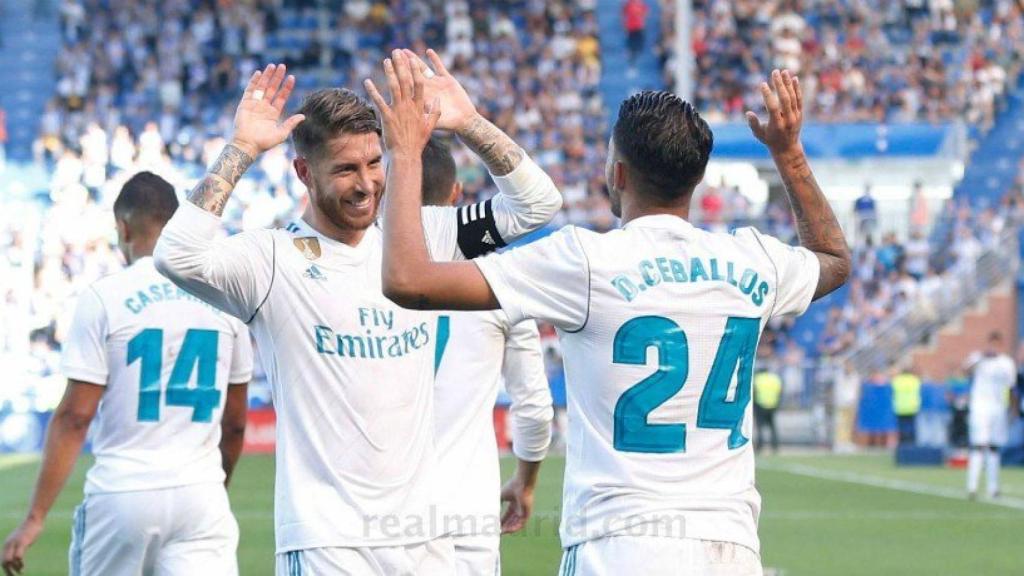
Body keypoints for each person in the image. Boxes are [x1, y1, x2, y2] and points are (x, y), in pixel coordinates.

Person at [369, 55, 849, 575]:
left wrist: (406, 153)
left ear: (616, 173)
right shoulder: (753, 259)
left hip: (619, 545)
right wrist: (789, 153)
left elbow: (408, 281)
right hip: (728, 548)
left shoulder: (584, 261)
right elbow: (835, 260)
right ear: (696, 178)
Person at [154, 57, 562, 574]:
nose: (367, 184)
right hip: (329, 544)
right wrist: (242, 150)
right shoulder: (271, 260)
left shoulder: (419, 240)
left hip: (424, 540)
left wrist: (466, 121)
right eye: (346, 169)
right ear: (304, 172)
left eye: (375, 163)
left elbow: (538, 205)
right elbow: (176, 256)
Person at [2, 172, 253, 576]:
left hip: (123, 491)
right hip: (201, 494)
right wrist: (210, 488)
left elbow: (75, 417)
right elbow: (236, 423)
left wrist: (35, 517)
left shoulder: (105, 297)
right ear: (175, 222)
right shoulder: (225, 299)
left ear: (122, 227)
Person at [423, 136, 553, 575]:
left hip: (378, 507)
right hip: (466, 511)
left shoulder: (360, 265)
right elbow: (534, 408)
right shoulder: (502, 278)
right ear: (455, 194)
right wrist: (526, 482)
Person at [964, 332, 1017, 500]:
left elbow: (1011, 387)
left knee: (994, 447)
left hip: (998, 408)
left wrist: (1012, 409)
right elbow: (965, 371)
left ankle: (993, 487)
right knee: (978, 445)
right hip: (980, 407)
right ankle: (972, 486)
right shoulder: (978, 359)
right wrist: (981, 357)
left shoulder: (1006, 363)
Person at [753, 366, 783, 454]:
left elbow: (754, 392)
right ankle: (775, 446)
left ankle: (760, 446)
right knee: (773, 427)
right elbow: (780, 391)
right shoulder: (775, 378)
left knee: (760, 427)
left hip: (760, 405)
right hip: (773, 405)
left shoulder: (757, 379)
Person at [891, 366, 922, 445]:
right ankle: (912, 442)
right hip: (912, 407)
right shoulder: (915, 380)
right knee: (912, 426)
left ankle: (902, 442)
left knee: (901, 427)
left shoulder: (896, 380)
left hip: (899, 407)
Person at [622, 0, 649, 66]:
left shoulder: (640, 3)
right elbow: (623, 13)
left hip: (639, 26)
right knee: (631, 41)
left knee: (639, 40)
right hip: (631, 26)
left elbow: (646, 12)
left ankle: (637, 52)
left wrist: (643, 20)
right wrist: (624, 24)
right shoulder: (628, 4)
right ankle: (630, 53)